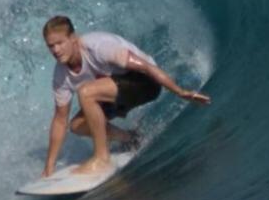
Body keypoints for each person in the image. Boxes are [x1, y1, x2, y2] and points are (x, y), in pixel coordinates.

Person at [41, 15, 210, 176]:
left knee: (86, 93)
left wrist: (179, 91)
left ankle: (102, 158)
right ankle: (131, 138)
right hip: (115, 92)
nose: (55, 50)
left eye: (59, 43)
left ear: (73, 38)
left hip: (146, 83)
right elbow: (60, 120)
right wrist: (49, 167)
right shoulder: (60, 76)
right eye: (51, 46)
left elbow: (146, 68)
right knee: (77, 125)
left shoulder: (99, 47)